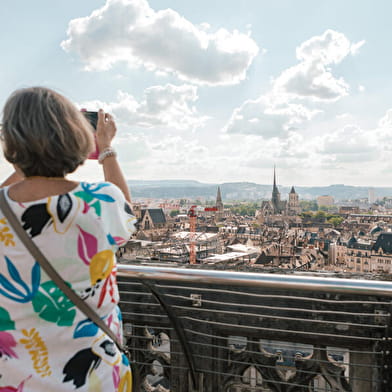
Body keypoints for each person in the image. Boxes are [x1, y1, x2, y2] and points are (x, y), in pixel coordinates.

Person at [0, 87, 136, 391]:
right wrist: (106, 149)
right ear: (75, 137)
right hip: (95, 375)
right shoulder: (100, 200)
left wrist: (29, 157)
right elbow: (128, 220)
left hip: (14, 378)